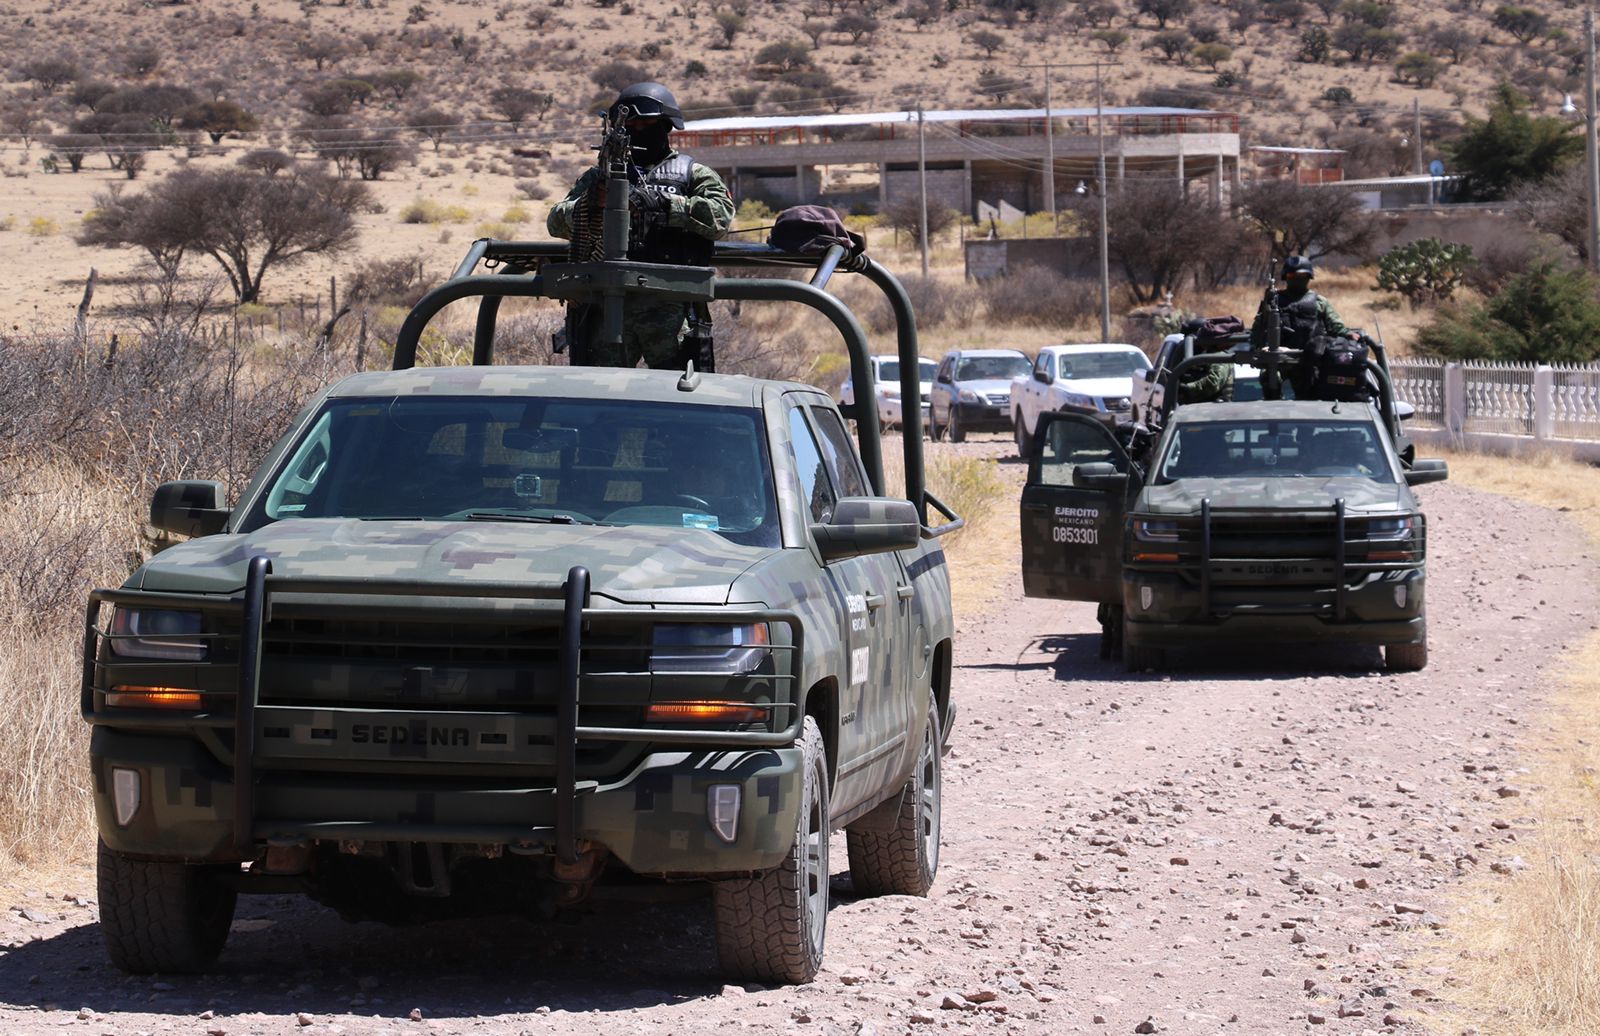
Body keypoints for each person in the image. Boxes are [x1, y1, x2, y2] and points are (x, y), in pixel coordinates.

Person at [547, 82, 735, 369]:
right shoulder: (600, 176)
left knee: (677, 396)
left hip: (671, 304)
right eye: (630, 124)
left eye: (646, 122)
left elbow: (720, 218)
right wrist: (592, 203)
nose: (637, 129)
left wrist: (665, 204)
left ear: (666, 125)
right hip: (608, 305)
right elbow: (556, 221)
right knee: (601, 395)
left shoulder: (693, 174)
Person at [1249, 255, 1360, 351]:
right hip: (1278, 361)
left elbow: (1336, 327)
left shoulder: (1319, 301)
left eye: (1301, 276)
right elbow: (1258, 329)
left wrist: (1348, 334)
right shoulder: (1273, 301)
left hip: (1311, 361)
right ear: (1285, 278)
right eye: (1292, 276)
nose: (1297, 279)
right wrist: (1255, 348)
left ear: (1309, 277)